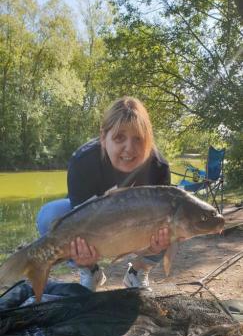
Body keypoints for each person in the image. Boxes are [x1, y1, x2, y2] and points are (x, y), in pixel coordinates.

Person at [37, 96, 171, 291]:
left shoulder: (158, 167)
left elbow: (166, 224)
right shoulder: (83, 161)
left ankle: (138, 271)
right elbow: (77, 223)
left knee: (171, 223)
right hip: (96, 227)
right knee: (49, 216)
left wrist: (156, 247)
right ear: (103, 137)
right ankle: (90, 271)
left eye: (138, 139)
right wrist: (83, 257)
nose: (129, 149)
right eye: (119, 138)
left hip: (139, 228)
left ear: (148, 140)